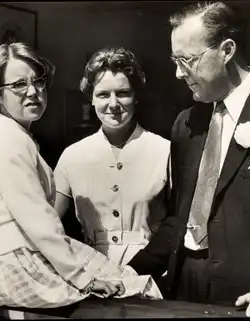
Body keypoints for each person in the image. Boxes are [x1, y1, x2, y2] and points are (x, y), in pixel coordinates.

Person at [128, 1, 250, 318]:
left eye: (187, 60)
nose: (178, 73)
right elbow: (179, 219)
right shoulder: (185, 124)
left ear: (227, 50)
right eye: (174, 60)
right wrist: (129, 272)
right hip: (182, 290)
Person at [0, 42, 161, 309]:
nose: (33, 92)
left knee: (119, 282)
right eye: (18, 85)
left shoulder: (11, 136)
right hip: (9, 266)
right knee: (126, 288)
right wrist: (84, 278)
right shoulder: (8, 141)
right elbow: (40, 223)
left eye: (38, 81)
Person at [54, 47, 171, 267]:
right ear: (91, 98)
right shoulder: (72, 156)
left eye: (123, 93)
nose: (114, 104)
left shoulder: (164, 151)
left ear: (136, 96)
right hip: (92, 272)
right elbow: (49, 226)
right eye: (103, 94)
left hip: (151, 271)